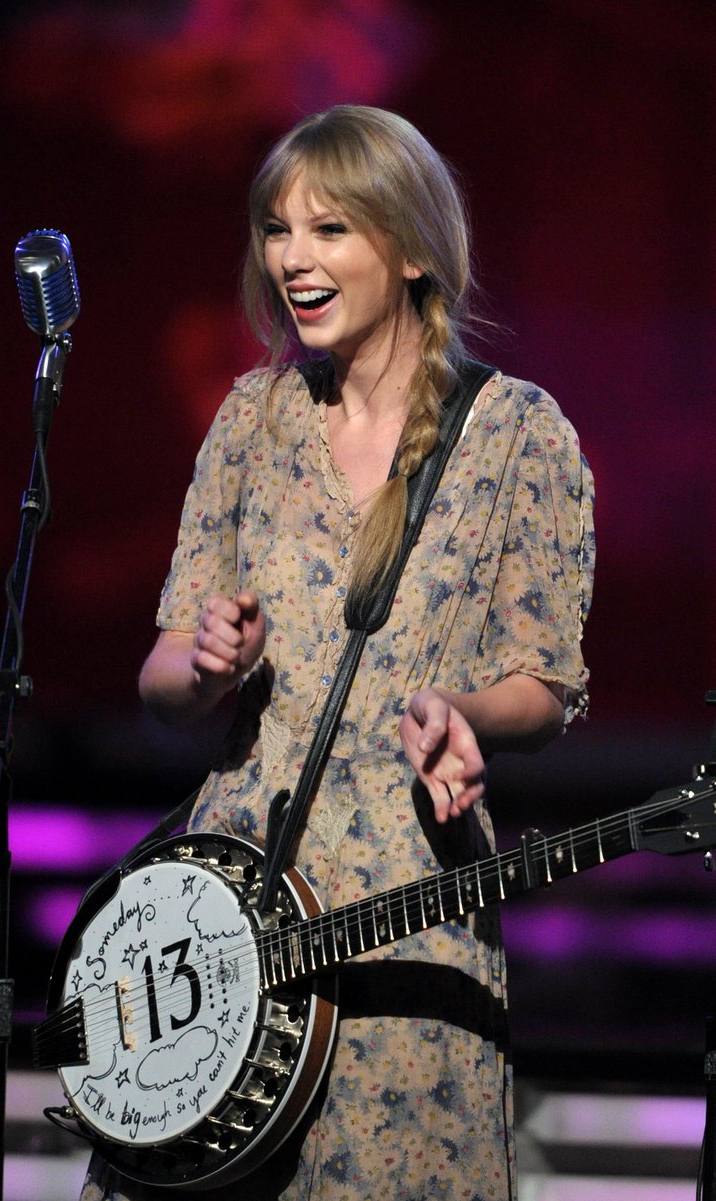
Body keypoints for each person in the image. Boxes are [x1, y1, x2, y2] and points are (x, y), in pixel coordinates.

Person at [82, 105, 594, 1201]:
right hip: (227, 926)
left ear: (409, 251)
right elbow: (163, 682)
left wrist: (461, 705)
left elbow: (546, 685)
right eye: (277, 230)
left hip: (405, 908)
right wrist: (206, 664)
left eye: (329, 230)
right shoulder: (253, 419)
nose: (292, 261)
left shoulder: (517, 434)